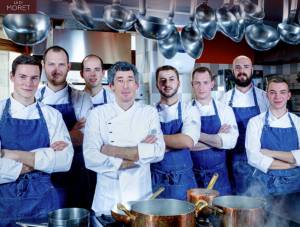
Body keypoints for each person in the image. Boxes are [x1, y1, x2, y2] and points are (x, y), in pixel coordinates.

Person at [83, 61, 165, 215]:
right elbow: (90, 156)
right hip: (108, 199)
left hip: (141, 198)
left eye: (130, 80)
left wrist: (111, 150)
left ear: (137, 85)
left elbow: (159, 151)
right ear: (111, 86)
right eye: (120, 81)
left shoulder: (149, 112)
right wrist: (138, 153)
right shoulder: (97, 114)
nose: (125, 86)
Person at [0, 55, 73, 226]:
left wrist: (10, 154)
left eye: (34, 78)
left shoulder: (52, 116)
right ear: (12, 77)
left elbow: (64, 161)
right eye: (22, 77)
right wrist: (44, 158)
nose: (28, 83)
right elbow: (54, 159)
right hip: (4, 204)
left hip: (43, 202)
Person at [36, 46, 93, 209]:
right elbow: (27, 142)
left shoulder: (82, 98)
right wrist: (69, 134)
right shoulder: (33, 98)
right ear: (43, 65)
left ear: (68, 67)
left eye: (61, 65)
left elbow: (83, 138)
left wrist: (43, 140)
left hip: (75, 175)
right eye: (51, 64)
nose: (56, 70)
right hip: (41, 175)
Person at [221, 55, 269, 195]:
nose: (242, 71)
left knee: (259, 198)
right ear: (233, 71)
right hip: (232, 158)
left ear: (252, 70)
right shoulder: (224, 99)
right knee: (236, 199)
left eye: (246, 67)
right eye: (238, 67)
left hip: (259, 158)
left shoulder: (264, 97)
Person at [151, 65, 200, 200]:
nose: (167, 84)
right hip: (155, 178)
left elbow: (187, 141)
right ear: (157, 85)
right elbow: (142, 141)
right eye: (162, 80)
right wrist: (174, 142)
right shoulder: (149, 112)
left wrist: (157, 140)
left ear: (178, 83)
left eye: (171, 79)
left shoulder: (189, 110)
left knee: (183, 219)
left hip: (183, 179)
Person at [246, 76, 300, 196]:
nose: (277, 97)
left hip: (295, 186)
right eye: (272, 92)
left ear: (288, 96)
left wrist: (271, 153)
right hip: (262, 186)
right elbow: (253, 158)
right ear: (267, 95)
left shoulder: (298, 122)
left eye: (282, 92)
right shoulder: (255, 122)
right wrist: (291, 163)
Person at [190, 67, 238, 195]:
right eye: (197, 83)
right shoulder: (185, 110)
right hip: (192, 175)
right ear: (192, 85)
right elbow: (184, 145)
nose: (201, 87)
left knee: (220, 212)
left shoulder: (225, 110)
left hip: (219, 175)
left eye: (205, 82)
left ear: (212, 84)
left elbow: (230, 143)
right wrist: (217, 138)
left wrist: (196, 136)